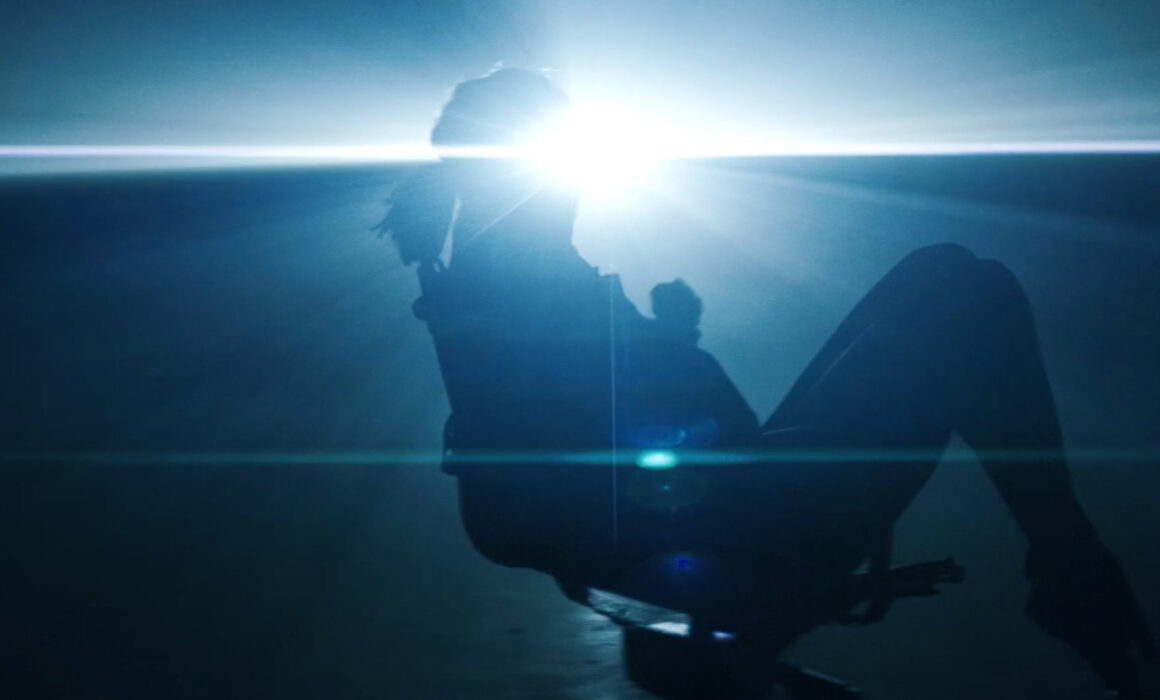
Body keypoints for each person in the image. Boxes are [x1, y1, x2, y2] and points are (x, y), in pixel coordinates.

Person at [379, 68, 1154, 697]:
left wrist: (670, 340)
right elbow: (641, 437)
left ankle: (1067, 568)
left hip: (707, 513)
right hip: (738, 530)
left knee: (948, 275)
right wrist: (675, 356)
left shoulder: (486, 277)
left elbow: (590, 432)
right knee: (963, 291)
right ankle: (1070, 568)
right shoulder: (523, 283)